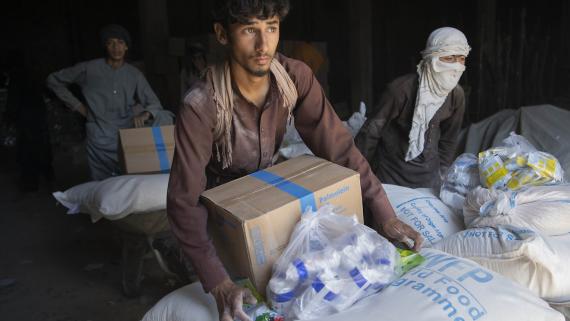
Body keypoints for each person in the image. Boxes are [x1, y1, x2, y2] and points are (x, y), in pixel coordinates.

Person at [166, 1, 423, 320]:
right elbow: (183, 201)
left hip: (267, 202)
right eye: (249, 30)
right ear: (222, 34)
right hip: (219, 219)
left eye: (271, 28)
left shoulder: (293, 77)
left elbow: (340, 149)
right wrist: (218, 283)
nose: (264, 45)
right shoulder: (202, 105)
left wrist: (383, 212)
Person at [46, 24, 173, 181]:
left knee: (164, 116)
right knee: (104, 185)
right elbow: (53, 80)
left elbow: (154, 103)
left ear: (126, 47)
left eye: (120, 42)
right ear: (105, 46)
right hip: (99, 134)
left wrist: (145, 114)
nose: (116, 47)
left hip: (126, 133)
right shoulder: (89, 69)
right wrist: (78, 107)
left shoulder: (134, 74)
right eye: (110, 43)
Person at [356, 27, 470, 189]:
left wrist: (443, 172)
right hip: (392, 175)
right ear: (432, 58)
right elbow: (370, 134)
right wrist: (363, 176)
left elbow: (449, 139)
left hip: (429, 178)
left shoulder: (456, 95)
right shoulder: (400, 90)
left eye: (461, 59)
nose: (457, 67)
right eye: (449, 58)